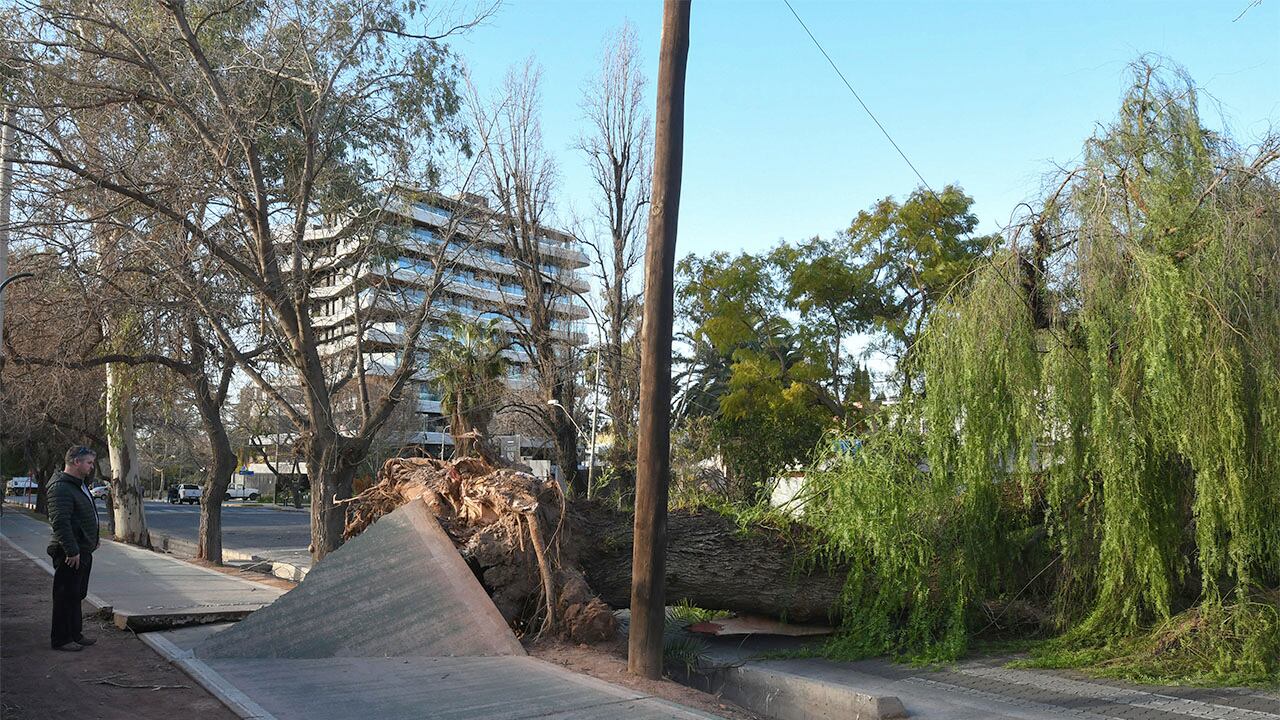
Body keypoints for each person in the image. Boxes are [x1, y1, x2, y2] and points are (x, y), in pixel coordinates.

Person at [47, 445, 101, 652]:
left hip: (82, 549)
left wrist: (93, 539)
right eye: (89, 462)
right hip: (70, 552)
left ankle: (74, 634)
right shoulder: (61, 487)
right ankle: (61, 639)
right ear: (76, 462)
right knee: (64, 596)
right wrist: (71, 550)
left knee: (76, 594)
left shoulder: (79, 484)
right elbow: (60, 521)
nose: (91, 467)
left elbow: (84, 515)